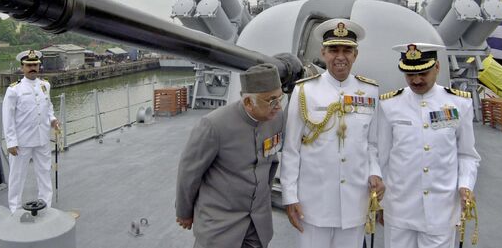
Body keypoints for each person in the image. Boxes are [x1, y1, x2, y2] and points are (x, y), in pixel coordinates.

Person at [281, 18, 384, 248]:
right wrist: (290, 197)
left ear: (355, 54)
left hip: (355, 201)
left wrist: (375, 173)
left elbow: (372, 144)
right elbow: (291, 149)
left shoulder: (370, 91)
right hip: (314, 203)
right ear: (323, 53)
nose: (340, 56)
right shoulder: (304, 90)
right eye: (333, 50)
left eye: (347, 50)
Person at [377, 43, 481, 248]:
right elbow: (383, 156)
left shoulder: (459, 104)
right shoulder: (389, 105)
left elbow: (467, 154)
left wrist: (465, 186)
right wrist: (379, 204)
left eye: (423, 73)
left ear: (437, 67)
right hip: (400, 208)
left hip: (441, 209)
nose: (416, 80)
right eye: (409, 74)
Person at [175, 63, 285, 248]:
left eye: (280, 98)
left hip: (257, 226)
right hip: (220, 227)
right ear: (249, 102)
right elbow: (189, 173)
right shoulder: (213, 125)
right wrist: (184, 213)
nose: (278, 106)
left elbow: (271, 161)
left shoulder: (276, 118)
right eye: (271, 100)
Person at [2, 49, 59, 213]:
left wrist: (53, 120)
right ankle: (15, 208)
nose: (32, 68)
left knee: (44, 173)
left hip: (42, 139)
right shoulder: (14, 90)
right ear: (22, 67)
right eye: (29, 65)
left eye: (35, 65)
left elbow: (48, 108)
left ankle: (46, 205)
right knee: (17, 176)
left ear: (39, 66)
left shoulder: (45, 85)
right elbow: (8, 118)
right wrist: (11, 142)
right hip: (22, 142)